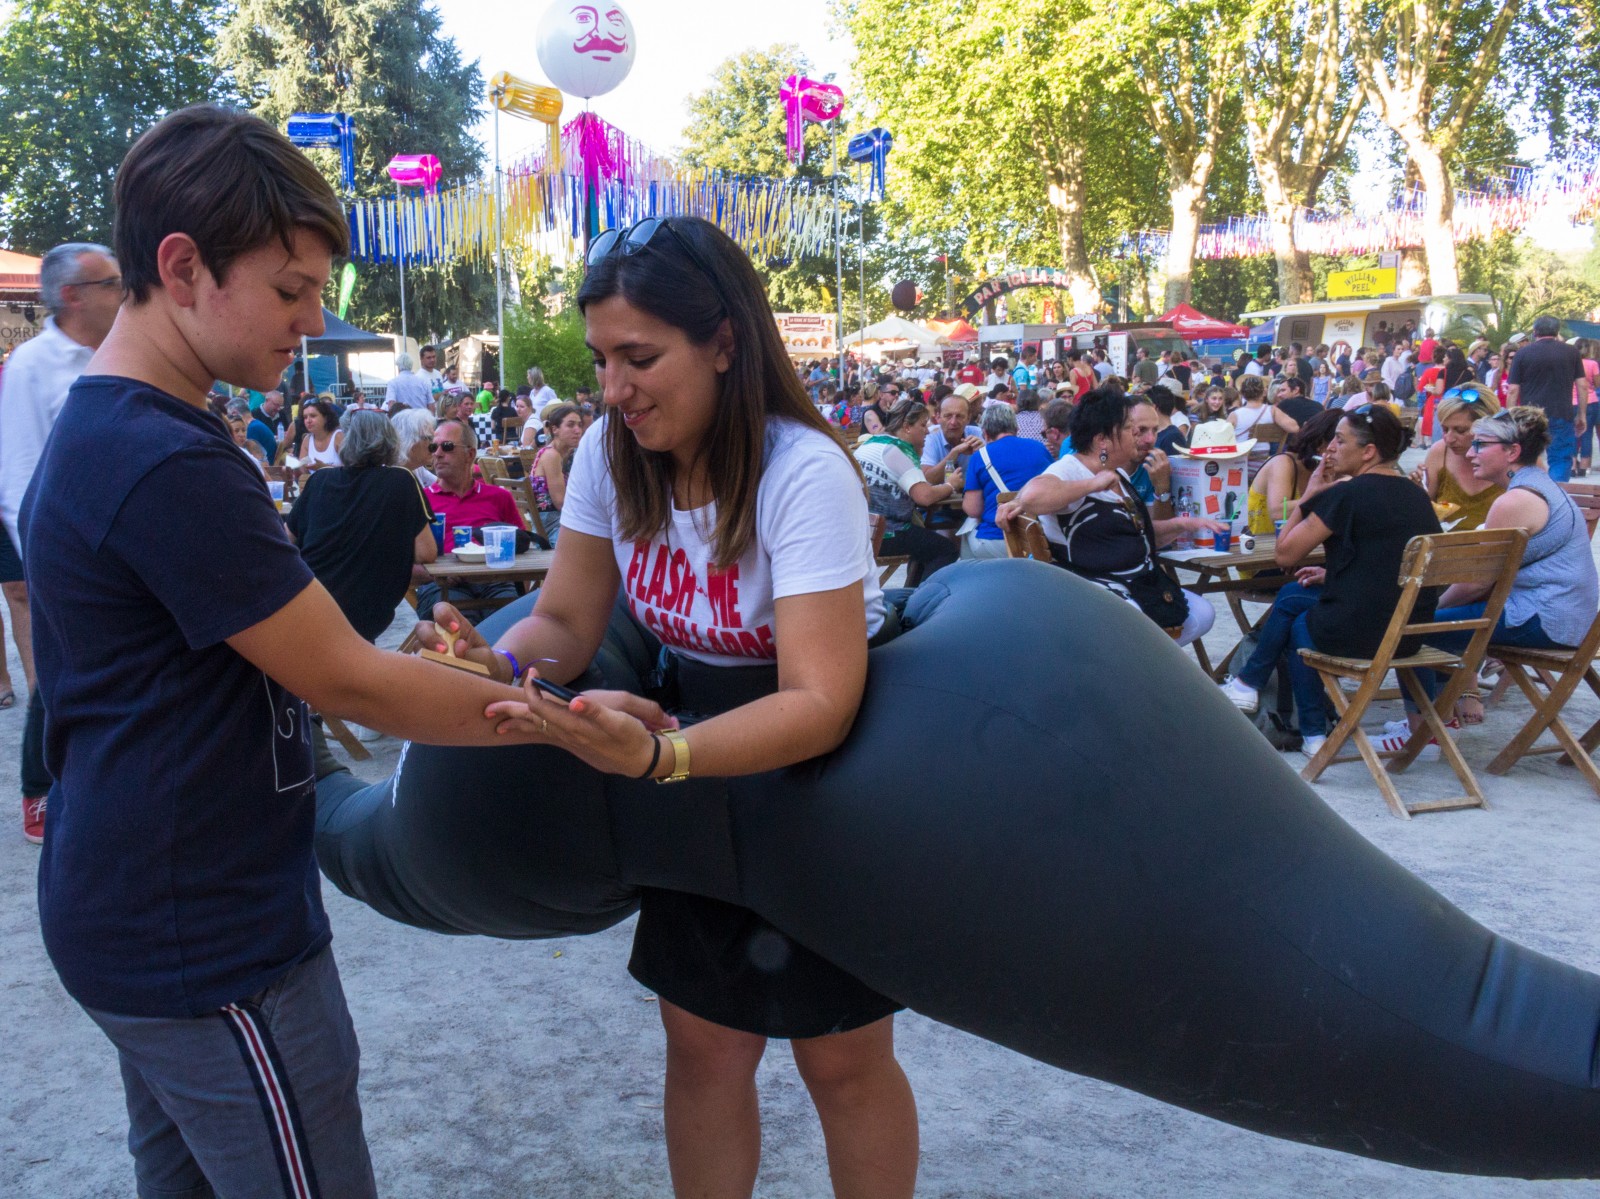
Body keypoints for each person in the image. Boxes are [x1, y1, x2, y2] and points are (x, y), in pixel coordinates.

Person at [24, 103, 544, 1199]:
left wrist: (451, 673)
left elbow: (269, 646)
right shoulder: (161, 454)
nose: (308, 322)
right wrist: (567, 726)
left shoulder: (137, 428)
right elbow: (347, 677)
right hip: (203, 934)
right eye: (289, 288)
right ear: (182, 265)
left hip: (148, 907)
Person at [405, 215, 918, 1198]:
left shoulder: (802, 470)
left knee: (840, 1055)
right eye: (601, 359)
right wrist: (489, 657)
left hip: (820, 778)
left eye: (638, 357)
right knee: (703, 1040)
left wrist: (656, 759)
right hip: (690, 763)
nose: (612, 389)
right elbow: (562, 617)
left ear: (724, 342)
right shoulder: (608, 450)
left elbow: (819, 700)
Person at [1220, 406, 1441, 759]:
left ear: (1368, 451)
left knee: (1300, 624)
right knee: (1296, 592)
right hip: (1412, 634)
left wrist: (1309, 497)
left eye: (1340, 440)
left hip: (1363, 634)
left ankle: (1311, 732)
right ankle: (1252, 684)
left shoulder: (1346, 494)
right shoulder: (1416, 495)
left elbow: (1285, 555)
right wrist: (1331, 573)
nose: (1330, 449)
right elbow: (1392, 559)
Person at [1388, 407, 1600, 753]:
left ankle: (1424, 730)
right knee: (1433, 624)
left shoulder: (1514, 500)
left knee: (1412, 629)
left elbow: (1476, 583)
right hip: (1569, 618)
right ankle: (1441, 716)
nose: (1470, 453)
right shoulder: (1538, 485)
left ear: (1512, 452)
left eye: (1480, 444)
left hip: (1545, 621)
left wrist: (1426, 608)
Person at [0, 240, 121, 843]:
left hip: (114, 541)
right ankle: (38, 793)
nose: (125, 292)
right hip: (64, 548)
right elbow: (19, 470)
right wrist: (42, 562)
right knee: (60, 667)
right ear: (72, 295)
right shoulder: (32, 367)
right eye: (112, 283)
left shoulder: (117, 353)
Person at [996, 389, 1221, 646]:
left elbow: (1134, 534)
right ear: (1103, 440)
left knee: (1203, 614)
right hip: (1090, 591)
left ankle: (1138, 672)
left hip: (1136, 585)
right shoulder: (1070, 469)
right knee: (1135, 626)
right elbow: (1033, 496)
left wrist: (1183, 524)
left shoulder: (1118, 474)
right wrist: (1092, 485)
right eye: (1129, 429)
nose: (1138, 435)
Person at [287, 409, 437, 642]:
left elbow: (286, 541)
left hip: (311, 602)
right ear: (391, 442)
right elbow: (426, 552)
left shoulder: (320, 480)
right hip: (365, 609)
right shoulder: (401, 480)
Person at [417, 417, 526, 613]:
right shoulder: (420, 501)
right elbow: (402, 562)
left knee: (513, 621)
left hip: (495, 581)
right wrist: (436, 574)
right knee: (458, 625)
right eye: (434, 447)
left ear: (470, 454)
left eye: (447, 446)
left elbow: (523, 549)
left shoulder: (499, 497)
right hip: (442, 586)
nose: (438, 454)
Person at [857, 397, 961, 584]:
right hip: (886, 533)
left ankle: (910, 598)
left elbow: (917, 481)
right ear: (906, 426)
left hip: (862, 530)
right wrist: (950, 485)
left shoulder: (872, 443)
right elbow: (925, 497)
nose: (927, 431)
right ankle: (923, 602)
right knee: (947, 549)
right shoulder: (897, 451)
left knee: (924, 545)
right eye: (923, 425)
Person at [959, 402, 1053, 559]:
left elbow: (973, 509)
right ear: (1016, 430)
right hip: (1039, 538)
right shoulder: (1040, 448)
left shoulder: (980, 456)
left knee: (967, 534)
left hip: (998, 538)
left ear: (985, 433)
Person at [1506, 316, 1588, 481]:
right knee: (1560, 458)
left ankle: (1528, 491)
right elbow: (1582, 385)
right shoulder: (1571, 352)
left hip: (1530, 415)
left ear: (1535, 332)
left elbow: (1513, 389)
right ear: (1557, 332)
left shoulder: (1522, 353)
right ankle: (1555, 496)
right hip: (1561, 412)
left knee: (1526, 457)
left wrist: (1510, 416)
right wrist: (1582, 414)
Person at [1246, 409, 1342, 536]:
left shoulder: (1326, 470)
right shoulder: (1283, 463)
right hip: (1260, 545)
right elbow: (1277, 512)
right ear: (1321, 444)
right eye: (1341, 443)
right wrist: (1326, 495)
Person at [528, 401, 584, 544]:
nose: (577, 430)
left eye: (579, 425)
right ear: (555, 429)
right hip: (553, 528)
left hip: (555, 524)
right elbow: (560, 503)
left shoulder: (559, 454)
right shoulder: (551, 455)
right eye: (570, 425)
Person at [920, 388, 982, 484]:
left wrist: (984, 453)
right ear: (938, 417)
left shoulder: (978, 434)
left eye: (959, 416)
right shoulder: (930, 437)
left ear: (968, 418)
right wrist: (955, 452)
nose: (953, 422)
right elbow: (928, 479)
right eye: (948, 416)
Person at [392, 405, 438, 487]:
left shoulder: (416, 468)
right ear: (410, 441)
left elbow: (441, 486)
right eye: (430, 438)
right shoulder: (390, 476)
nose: (435, 445)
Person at [1574, 337, 1600, 475]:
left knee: (1572, 434)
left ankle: (1572, 466)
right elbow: (1597, 384)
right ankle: (1585, 467)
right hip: (1590, 400)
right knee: (1587, 434)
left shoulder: (1570, 363)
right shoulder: (1592, 364)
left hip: (1572, 401)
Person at [295, 395, 344, 468]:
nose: (308, 420)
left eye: (313, 416)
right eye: (305, 417)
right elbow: (303, 471)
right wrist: (294, 468)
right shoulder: (307, 440)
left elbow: (350, 469)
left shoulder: (338, 436)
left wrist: (324, 467)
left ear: (325, 417)